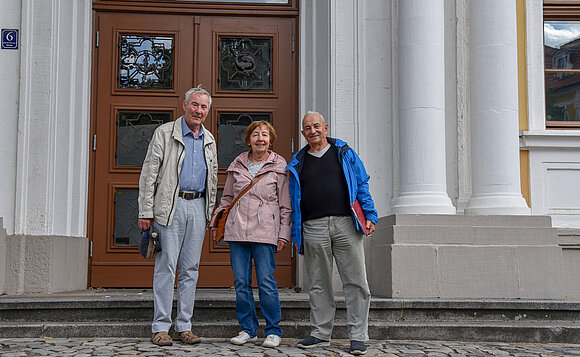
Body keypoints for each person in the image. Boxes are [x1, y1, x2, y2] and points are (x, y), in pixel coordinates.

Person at [286, 111, 378, 356]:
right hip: (312, 227)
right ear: (303, 133)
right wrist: (296, 231)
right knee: (318, 284)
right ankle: (320, 333)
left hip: (345, 224)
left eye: (316, 126)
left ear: (325, 127)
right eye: (307, 128)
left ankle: (358, 336)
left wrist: (370, 215)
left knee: (356, 281)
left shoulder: (343, 153)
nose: (312, 131)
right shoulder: (297, 161)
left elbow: (361, 184)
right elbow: (293, 199)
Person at [138, 86, 218, 346]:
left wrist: (210, 211)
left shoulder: (209, 139)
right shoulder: (164, 133)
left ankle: (184, 326)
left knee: (190, 269)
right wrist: (145, 211)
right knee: (166, 267)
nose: (199, 111)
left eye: (203, 107)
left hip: (197, 206)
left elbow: (213, 178)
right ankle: (160, 327)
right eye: (194, 105)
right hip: (169, 207)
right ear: (185, 106)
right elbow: (150, 174)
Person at [210, 120, 291, 348]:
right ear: (249, 140)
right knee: (241, 282)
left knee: (266, 282)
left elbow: (285, 204)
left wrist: (283, 233)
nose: (260, 139)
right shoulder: (237, 165)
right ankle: (248, 329)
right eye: (256, 135)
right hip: (237, 231)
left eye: (265, 135)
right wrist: (218, 219)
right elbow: (227, 199)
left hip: (265, 231)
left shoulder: (279, 167)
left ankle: (273, 330)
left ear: (271, 140)